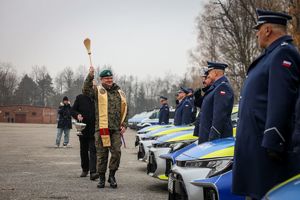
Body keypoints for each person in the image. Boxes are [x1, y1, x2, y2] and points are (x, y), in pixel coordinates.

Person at [232, 9, 300, 200]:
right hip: (256, 148)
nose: (256, 33)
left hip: (267, 153)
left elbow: (281, 100)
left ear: (268, 29)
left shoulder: (283, 53)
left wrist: (273, 142)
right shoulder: (271, 55)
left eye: (258, 29)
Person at [83, 67, 128, 189]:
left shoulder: (120, 92)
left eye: (111, 78)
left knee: (116, 153)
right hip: (102, 128)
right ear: (101, 79)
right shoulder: (97, 91)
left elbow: (125, 110)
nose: (109, 80)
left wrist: (125, 124)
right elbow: (85, 90)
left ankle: (112, 175)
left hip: (115, 130)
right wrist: (90, 76)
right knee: (102, 154)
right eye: (107, 78)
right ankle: (102, 178)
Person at [198, 62, 234, 144]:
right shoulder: (215, 87)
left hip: (215, 139)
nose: (208, 75)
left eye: (210, 72)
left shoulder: (223, 87)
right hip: (208, 136)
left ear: (215, 72)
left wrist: (213, 137)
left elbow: (219, 115)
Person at [71, 92, 99, 180]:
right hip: (82, 129)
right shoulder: (80, 97)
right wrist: (77, 115)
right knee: (83, 150)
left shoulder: (97, 97)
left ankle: (93, 172)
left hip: (94, 129)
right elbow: (72, 110)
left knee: (93, 150)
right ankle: (85, 169)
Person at [193, 70, 213, 137]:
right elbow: (203, 106)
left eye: (206, 78)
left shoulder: (213, 90)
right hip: (203, 131)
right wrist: (198, 97)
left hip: (208, 132)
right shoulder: (208, 91)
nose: (203, 81)